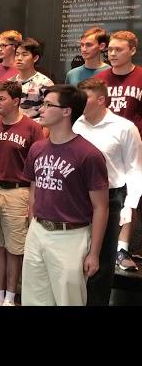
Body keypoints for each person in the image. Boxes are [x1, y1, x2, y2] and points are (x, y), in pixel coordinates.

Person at [21, 85, 109, 306]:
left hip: (71, 235)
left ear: (67, 111)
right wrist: (34, 222)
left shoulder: (89, 154)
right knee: (34, 298)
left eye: (49, 105)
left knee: (69, 300)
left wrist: (94, 253)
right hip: (38, 230)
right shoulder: (37, 149)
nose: (42, 109)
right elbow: (34, 187)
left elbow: (101, 207)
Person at [74, 78, 142, 305]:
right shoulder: (75, 124)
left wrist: (129, 205)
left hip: (111, 197)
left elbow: (135, 168)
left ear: (101, 100)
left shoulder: (124, 128)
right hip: (76, 197)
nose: (80, 101)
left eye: (86, 97)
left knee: (101, 262)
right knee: (75, 259)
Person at [0, 80, 43, 306]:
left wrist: (32, 202)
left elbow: (38, 164)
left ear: (16, 101)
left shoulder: (32, 128)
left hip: (19, 190)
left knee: (15, 248)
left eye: (1, 99)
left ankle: (10, 297)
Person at [95, 31, 142, 272]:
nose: (112, 54)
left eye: (118, 49)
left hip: (133, 145)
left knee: (130, 195)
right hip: (104, 146)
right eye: (110, 50)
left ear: (132, 50)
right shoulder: (101, 79)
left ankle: (122, 247)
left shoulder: (141, 77)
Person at [8, 38, 53, 123]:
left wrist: (43, 135)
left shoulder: (45, 83)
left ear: (35, 58)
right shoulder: (9, 82)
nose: (19, 58)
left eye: (24, 54)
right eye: (17, 54)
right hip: (12, 130)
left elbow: (50, 114)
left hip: (36, 129)